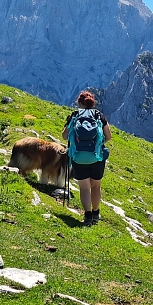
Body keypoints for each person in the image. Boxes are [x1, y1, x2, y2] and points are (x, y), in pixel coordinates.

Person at [63, 90, 112, 226]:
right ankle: (96, 214)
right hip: (97, 157)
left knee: (84, 188)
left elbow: (64, 136)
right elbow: (108, 136)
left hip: (78, 157)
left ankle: (88, 216)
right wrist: (96, 144)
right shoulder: (99, 116)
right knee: (96, 186)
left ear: (79, 102)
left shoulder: (74, 115)